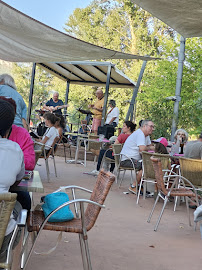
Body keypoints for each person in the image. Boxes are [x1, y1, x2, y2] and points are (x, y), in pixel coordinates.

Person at [0, 99, 25, 262]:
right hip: (2, 233)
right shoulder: (16, 150)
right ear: (10, 129)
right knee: (19, 208)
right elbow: (19, 178)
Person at [120, 120, 155, 194]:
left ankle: (139, 186)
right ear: (144, 126)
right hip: (127, 160)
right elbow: (143, 148)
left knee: (149, 164)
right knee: (146, 166)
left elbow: (147, 147)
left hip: (135, 159)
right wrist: (151, 148)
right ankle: (134, 186)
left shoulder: (146, 135)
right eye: (151, 126)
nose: (153, 129)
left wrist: (150, 148)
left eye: (153, 127)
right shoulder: (140, 134)